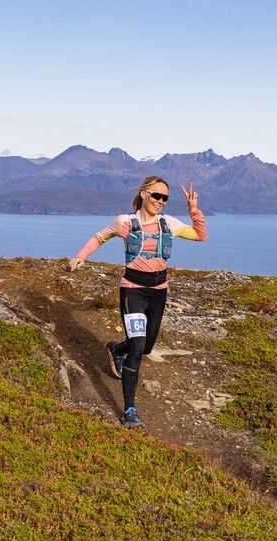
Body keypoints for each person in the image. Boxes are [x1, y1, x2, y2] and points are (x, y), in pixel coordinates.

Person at [69, 176, 207, 428]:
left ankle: (115, 349)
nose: (161, 202)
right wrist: (81, 256)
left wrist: (193, 210)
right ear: (144, 194)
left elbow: (200, 235)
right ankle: (130, 409)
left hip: (158, 292)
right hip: (133, 291)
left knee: (146, 346)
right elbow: (99, 237)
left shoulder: (169, 223)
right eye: (156, 196)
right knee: (138, 346)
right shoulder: (125, 222)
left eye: (165, 198)